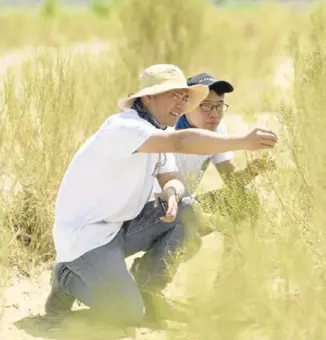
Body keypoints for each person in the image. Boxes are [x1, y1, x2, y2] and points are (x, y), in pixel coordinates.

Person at [45, 64, 278, 328]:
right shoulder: (125, 127)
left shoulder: (158, 131)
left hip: (121, 227)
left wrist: (173, 193)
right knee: (128, 314)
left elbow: (171, 179)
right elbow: (180, 143)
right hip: (86, 237)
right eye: (174, 95)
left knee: (186, 210)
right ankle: (65, 277)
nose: (181, 103)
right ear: (148, 97)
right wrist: (242, 141)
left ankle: (149, 291)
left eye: (184, 97)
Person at [156, 72, 276, 235]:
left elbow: (231, 178)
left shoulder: (217, 128)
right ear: (185, 106)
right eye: (206, 105)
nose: (215, 114)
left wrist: (252, 170)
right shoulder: (167, 130)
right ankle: (152, 261)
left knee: (244, 199)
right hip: (159, 209)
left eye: (219, 106)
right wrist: (215, 221)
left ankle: (236, 260)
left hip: (187, 204)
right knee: (194, 217)